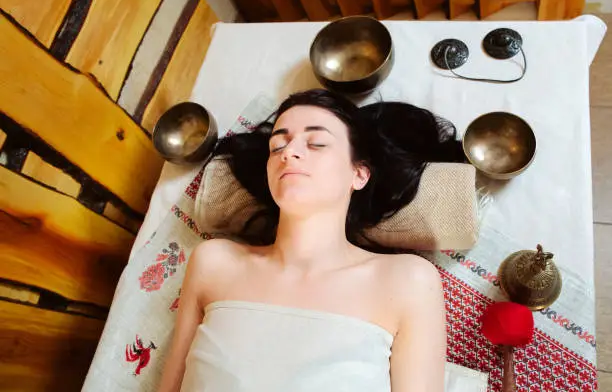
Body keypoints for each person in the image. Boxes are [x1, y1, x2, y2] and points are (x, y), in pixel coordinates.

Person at [157, 89, 465, 392]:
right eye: (277, 146)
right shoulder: (214, 262)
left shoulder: (407, 280)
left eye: (317, 143)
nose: (288, 152)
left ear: (358, 174)